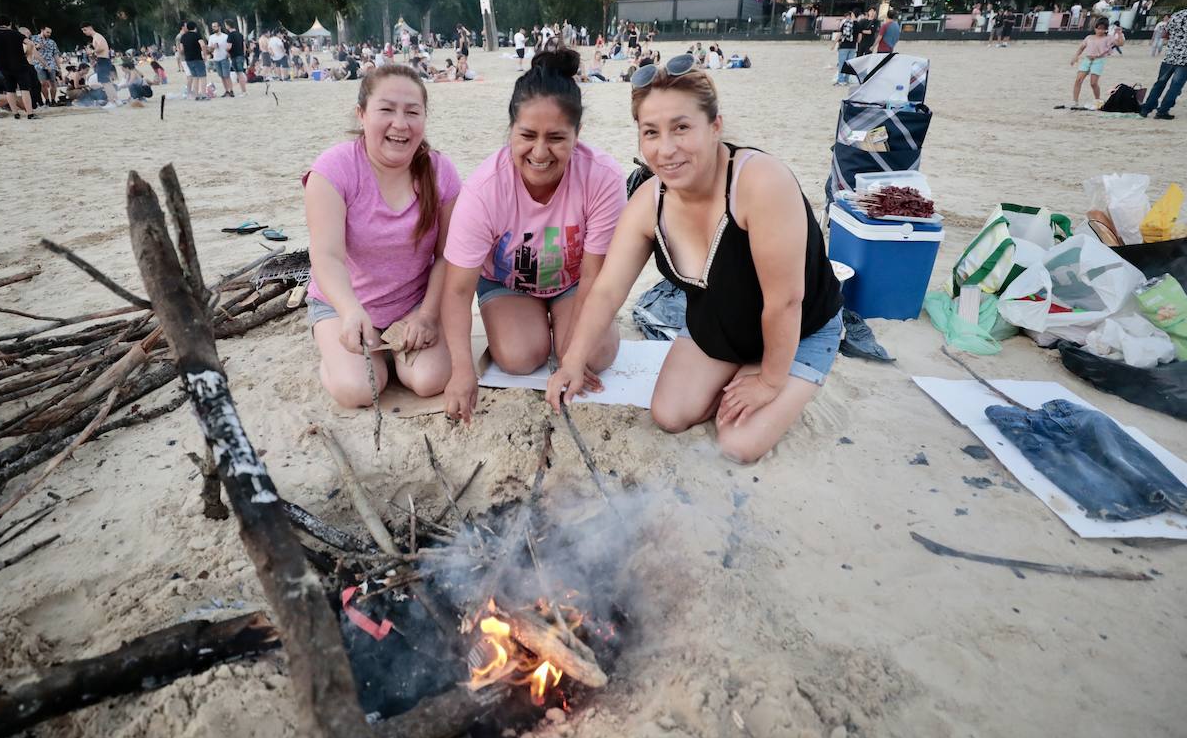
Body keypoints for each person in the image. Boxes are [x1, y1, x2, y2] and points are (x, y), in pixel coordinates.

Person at [546, 54, 843, 464]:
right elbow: (607, 291)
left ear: (715, 126)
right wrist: (573, 361)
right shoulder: (648, 203)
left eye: (681, 128)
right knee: (669, 415)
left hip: (801, 328)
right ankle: (741, 372)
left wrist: (770, 382)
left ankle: (780, 375)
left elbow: (786, 301)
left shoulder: (759, 183)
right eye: (651, 132)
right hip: (720, 329)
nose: (666, 149)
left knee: (737, 443)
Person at [441, 49, 625, 424]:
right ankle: (534, 324)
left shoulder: (603, 178)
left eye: (557, 137)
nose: (540, 152)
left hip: (573, 282)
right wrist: (461, 370)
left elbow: (594, 275)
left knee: (597, 354)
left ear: (578, 134)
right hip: (509, 284)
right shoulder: (484, 190)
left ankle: (562, 324)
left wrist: (573, 359)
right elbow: (457, 289)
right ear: (510, 129)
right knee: (520, 358)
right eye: (527, 135)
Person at [303, 65, 460, 407]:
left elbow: (448, 255)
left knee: (430, 380)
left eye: (412, 112)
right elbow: (326, 256)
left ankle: (388, 353)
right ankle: (334, 355)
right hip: (345, 305)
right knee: (360, 389)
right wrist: (349, 310)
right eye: (386, 110)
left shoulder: (440, 172)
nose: (400, 124)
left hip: (411, 304)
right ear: (361, 114)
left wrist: (428, 315)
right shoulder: (334, 169)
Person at [0, 17, 37, 119]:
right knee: (24, 89)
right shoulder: (15, 33)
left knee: (10, 90)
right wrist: (27, 54)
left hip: (2, 65)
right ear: (10, 24)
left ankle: (15, 114)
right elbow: (30, 43)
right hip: (19, 64)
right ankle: (30, 114)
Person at [1070, 19, 1123, 109]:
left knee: (1093, 83)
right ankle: (1075, 101)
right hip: (1087, 59)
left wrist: (1120, 33)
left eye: (1103, 29)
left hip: (1099, 60)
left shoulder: (1108, 38)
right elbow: (1081, 48)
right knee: (1078, 80)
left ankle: (1097, 100)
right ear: (1095, 28)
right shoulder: (1089, 37)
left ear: (1106, 29)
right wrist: (1076, 56)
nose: (1100, 31)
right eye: (1098, 28)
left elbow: (1120, 43)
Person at [81, 23, 119, 108]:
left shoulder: (97, 36)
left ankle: (111, 101)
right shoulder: (97, 36)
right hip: (104, 60)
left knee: (105, 83)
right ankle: (116, 100)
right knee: (108, 82)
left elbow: (102, 47)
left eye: (85, 30)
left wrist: (92, 52)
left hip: (103, 60)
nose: (84, 32)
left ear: (90, 28)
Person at [179, 22, 208, 100]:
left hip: (188, 59)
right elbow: (202, 45)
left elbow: (181, 50)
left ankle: (196, 95)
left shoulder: (183, 37)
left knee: (195, 77)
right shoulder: (197, 35)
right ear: (195, 27)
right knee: (202, 76)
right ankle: (204, 94)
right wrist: (205, 55)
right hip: (197, 58)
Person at [31, 26, 60, 105]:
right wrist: (36, 47)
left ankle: (53, 100)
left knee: (53, 82)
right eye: (47, 32)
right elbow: (29, 50)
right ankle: (47, 100)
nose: (49, 34)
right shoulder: (33, 38)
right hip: (38, 64)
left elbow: (56, 54)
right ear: (42, 30)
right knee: (43, 83)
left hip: (51, 64)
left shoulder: (52, 42)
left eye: (50, 33)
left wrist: (59, 67)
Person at [207, 22, 232, 97]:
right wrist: (213, 47)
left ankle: (231, 90)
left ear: (219, 27)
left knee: (227, 75)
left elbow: (229, 46)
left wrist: (228, 54)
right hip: (216, 58)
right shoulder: (211, 37)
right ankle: (226, 90)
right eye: (212, 27)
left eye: (215, 26)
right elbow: (209, 50)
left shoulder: (225, 36)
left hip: (224, 58)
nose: (213, 28)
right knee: (221, 76)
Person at [833, 11, 857, 86]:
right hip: (853, 46)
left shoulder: (846, 24)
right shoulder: (858, 24)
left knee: (841, 64)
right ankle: (846, 79)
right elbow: (859, 38)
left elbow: (840, 34)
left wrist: (834, 44)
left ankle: (840, 80)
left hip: (844, 46)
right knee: (849, 64)